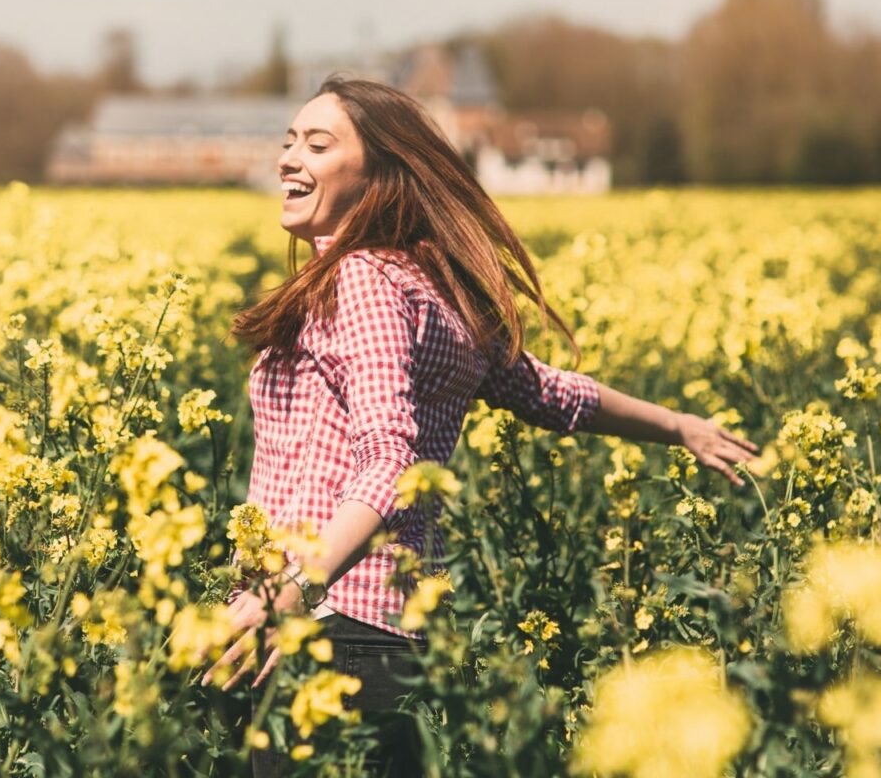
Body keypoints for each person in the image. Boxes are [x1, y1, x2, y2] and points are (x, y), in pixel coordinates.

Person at [199, 74, 760, 777]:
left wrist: (288, 595)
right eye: (288, 142)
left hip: (322, 626)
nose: (288, 158)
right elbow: (549, 394)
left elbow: (389, 459)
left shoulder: (365, 280)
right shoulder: (434, 286)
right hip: (388, 634)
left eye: (317, 144)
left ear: (380, 173)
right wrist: (677, 425)